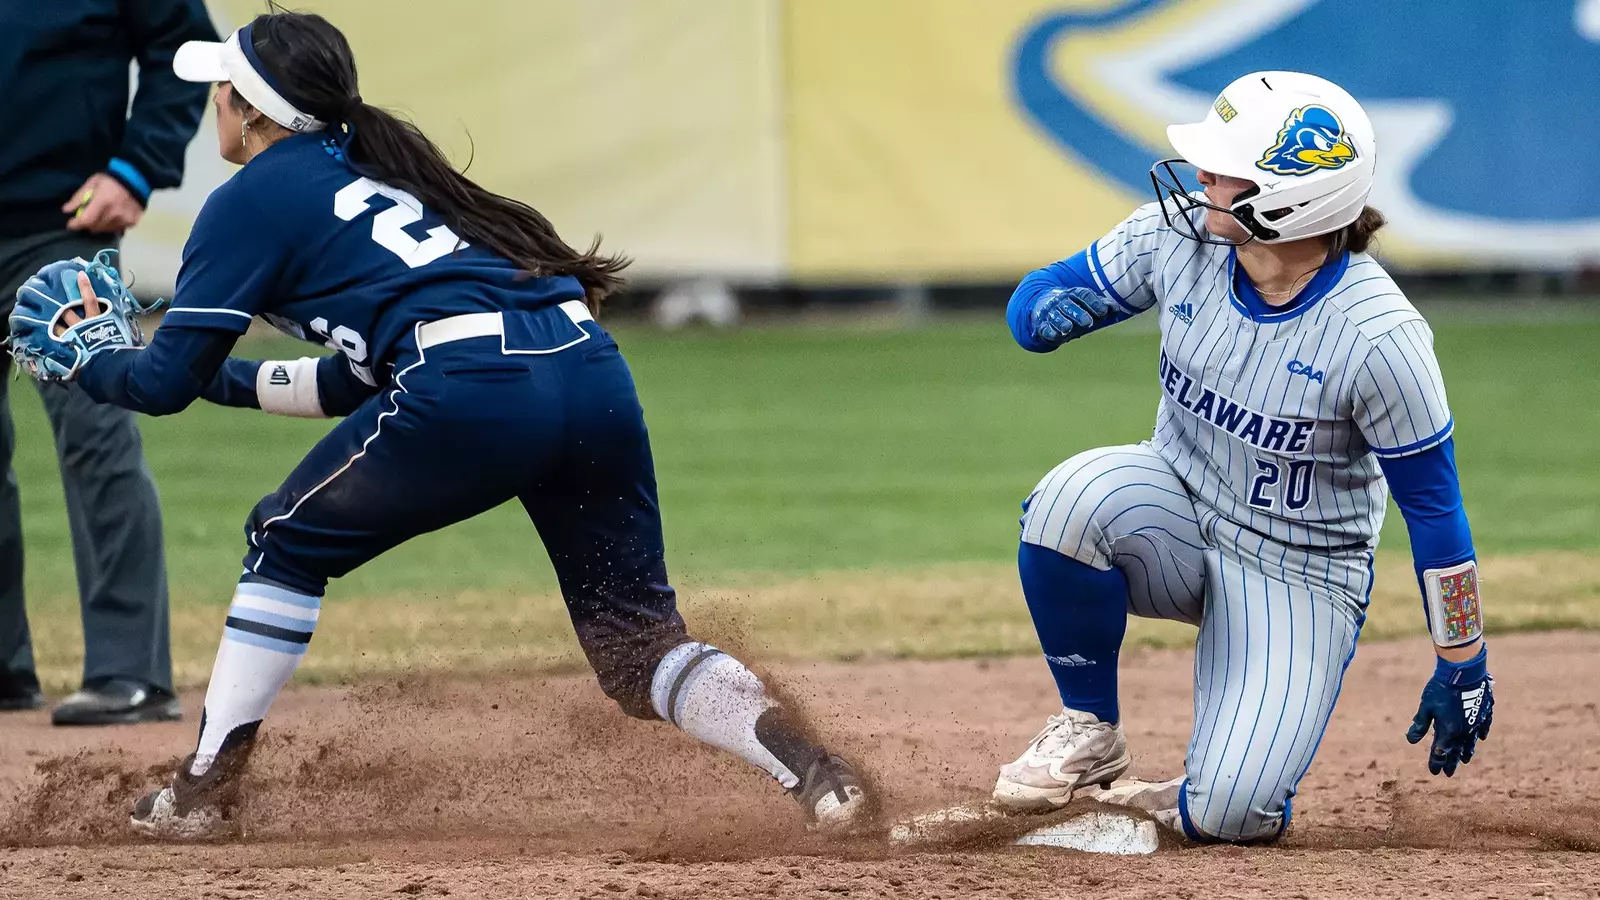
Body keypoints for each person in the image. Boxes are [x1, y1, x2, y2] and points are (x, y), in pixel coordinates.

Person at [7, 10, 869, 840]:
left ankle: (203, 795)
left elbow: (158, 384)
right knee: (637, 646)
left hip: (473, 387)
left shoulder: (250, 199)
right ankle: (818, 773)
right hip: (586, 368)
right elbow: (352, 381)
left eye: (223, 89)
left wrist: (89, 361)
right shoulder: (387, 168)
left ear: (254, 110)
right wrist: (213, 383)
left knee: (282, 542)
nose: (212, 105)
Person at [990, 72, 1493, 843]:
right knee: (1070, 502)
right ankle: (1089, 727)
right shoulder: (1177, 235)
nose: (1202, 179)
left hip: (1300, 572)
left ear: (1287, 200)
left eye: (1226, 169)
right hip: (1175, 515)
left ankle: (1189, 795)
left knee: (1233, 816)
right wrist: (1038, 309)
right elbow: (1053, 289)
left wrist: (1464, 658)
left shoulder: (1380, 337)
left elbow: (1433, 506)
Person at [0, 0, 217, 724]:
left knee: (97, 432)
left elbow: (185, 51)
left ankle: (131, 671)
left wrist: (136, 168)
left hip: (58, 225)